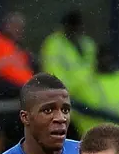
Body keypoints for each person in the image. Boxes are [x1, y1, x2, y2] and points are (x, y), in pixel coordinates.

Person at [0, 12, 34, 151]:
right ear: (6, 26)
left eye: (20, 28)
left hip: (20, 95)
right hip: (2, 95)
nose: (18, 31)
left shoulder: (18, 48)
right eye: (15, 26)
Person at [40, 10, 97, 138]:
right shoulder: (54, 44)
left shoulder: (88, 44)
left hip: (89, 101)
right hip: (67, 102)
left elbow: (94, 73)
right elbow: (53, 75)